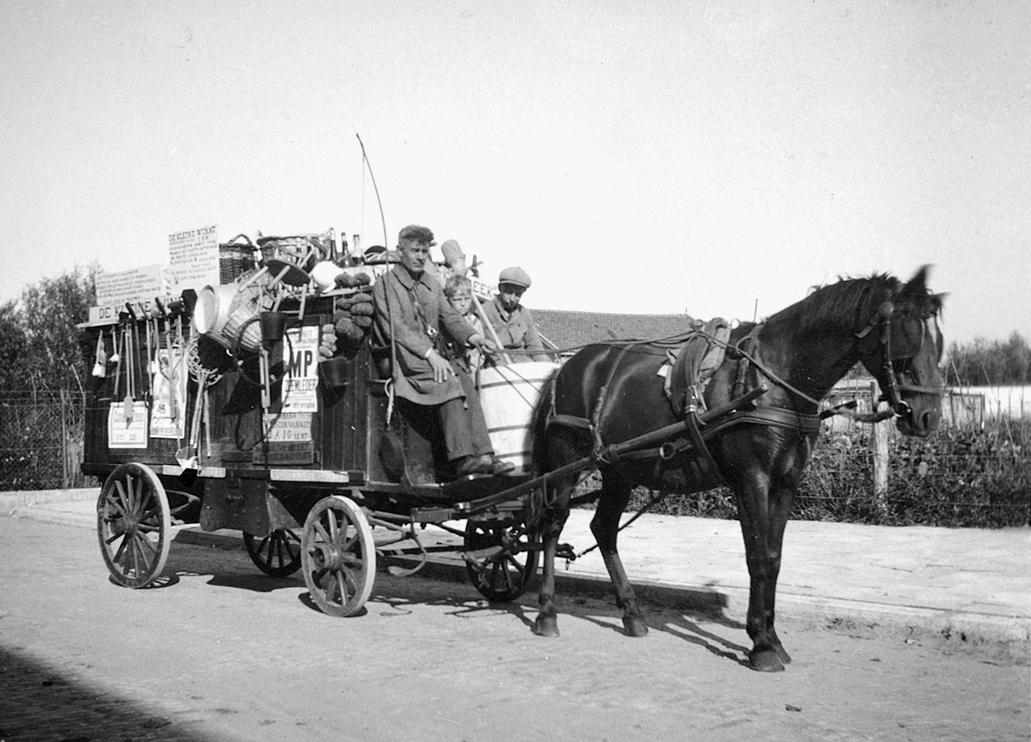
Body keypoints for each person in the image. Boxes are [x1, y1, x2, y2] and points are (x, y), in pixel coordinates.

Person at [371, 225, 514, 477]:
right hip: (404, 360)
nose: (420, 257)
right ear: (399, 251)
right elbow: (398, 329)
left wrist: (475, 337)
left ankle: (485, 455)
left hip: (431, 358)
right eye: (414, 250)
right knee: (448, 378)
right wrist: (431, 355)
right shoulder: (385, 285)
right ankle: (462, 460)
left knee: (464, 378)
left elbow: (449, 316)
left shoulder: (431, 284)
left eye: (424, 251)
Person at [482, 266, 550, 363]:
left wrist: (544, 364)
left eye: (518, 294)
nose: (512, 299)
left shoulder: (524, 314)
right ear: (500, 288)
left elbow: (534, 346)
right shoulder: (485, 310)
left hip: (521, 361)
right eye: (509, 292)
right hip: (495, 362)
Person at [443, 274, 484, 373]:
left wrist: (472, 370)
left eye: (467, 299)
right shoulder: (443, 320)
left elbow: (479, 354)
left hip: (471, 369)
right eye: (457, 300)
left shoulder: (475, 322)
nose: (463, 304)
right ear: (448, 299)